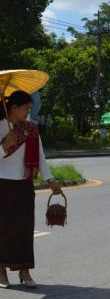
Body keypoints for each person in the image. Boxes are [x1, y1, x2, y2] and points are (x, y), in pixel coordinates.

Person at [0, 91, 63, 289]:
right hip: (2, 184)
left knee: (25, 229)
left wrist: (50, 179)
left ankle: (24, 271)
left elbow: (41, 156)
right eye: (26, 108)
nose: (29, 112)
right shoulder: (0, 126)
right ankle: (1, 271)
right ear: (14, 108)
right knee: (3, 230)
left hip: (25, 184)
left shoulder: (31, 129)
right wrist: (4, 146)